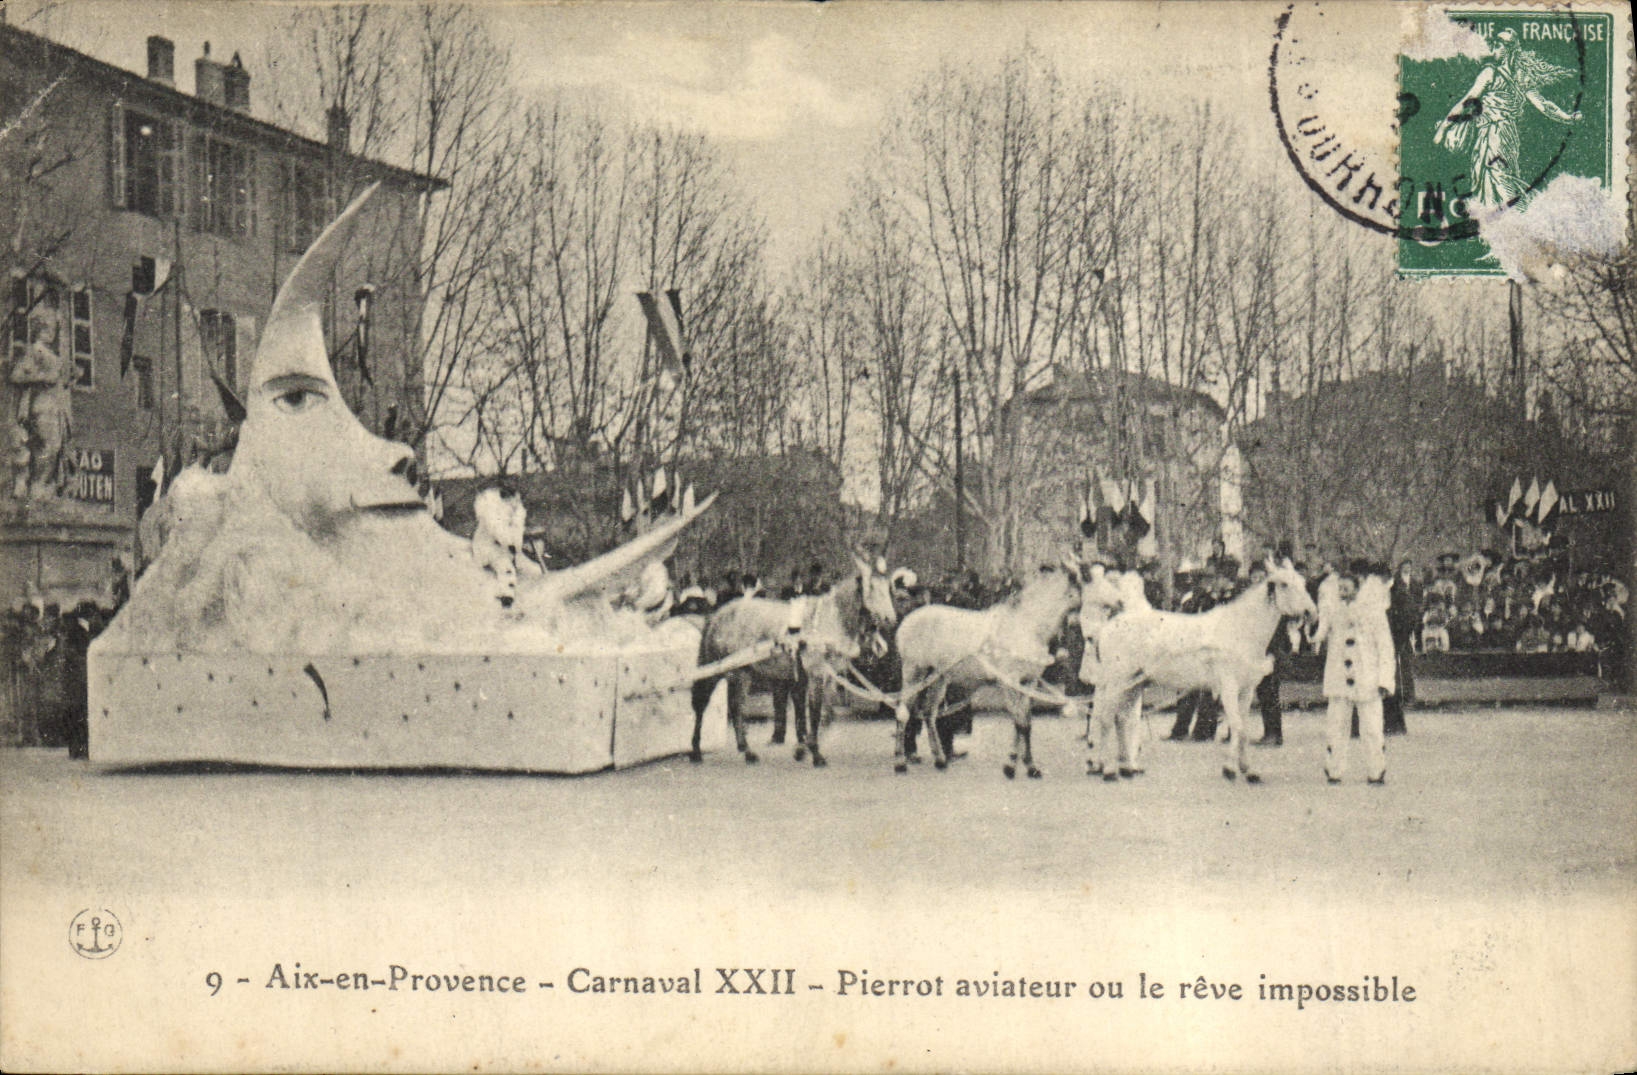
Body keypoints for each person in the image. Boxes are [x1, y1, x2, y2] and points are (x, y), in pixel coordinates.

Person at [1312, 568, 1395, 785]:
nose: (1342, 592)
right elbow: (1318, 633)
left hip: (1367, 676)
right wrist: (1313, 624)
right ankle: (1334, 769)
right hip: (1339, 677)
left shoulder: (1374, 612)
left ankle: (1376, 770)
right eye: (1340, 588)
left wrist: (1385, 679)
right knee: (1336, 726)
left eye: (1347, 588)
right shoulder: (1332, 610)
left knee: (1372, 728)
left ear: (1357, 589)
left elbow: (1385, 647)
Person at [1382, 559, 1420, 737]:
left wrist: (1399, 638)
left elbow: (1410, 616)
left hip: (1394, 640)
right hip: (1383, 640)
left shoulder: (1398, 591)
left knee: (1393, 678)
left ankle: (1394, 723)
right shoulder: (1380, 592)